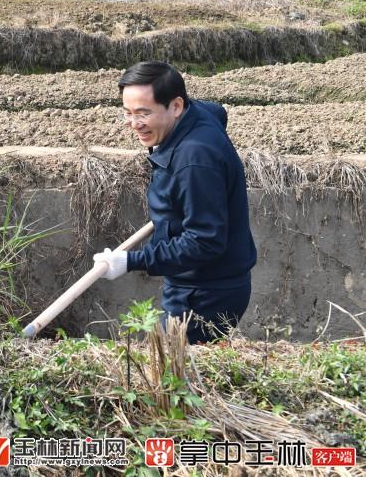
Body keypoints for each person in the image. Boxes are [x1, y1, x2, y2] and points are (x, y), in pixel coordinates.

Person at [92, 61, 257, 343]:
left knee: (170, 371)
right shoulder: (200, 115)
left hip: (205, 293)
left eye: (144, 113)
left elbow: (205, 241)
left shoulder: (194, 161)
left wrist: (131, 261)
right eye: (128, 113)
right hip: (204, 282)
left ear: (176, 106)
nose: (134, 124)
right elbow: (219, 112)